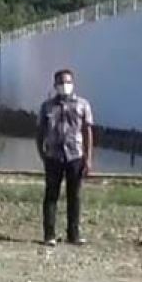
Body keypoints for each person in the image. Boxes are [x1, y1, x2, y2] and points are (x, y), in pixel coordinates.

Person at [36, 69, 94, 247]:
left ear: (73, 83)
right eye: (61, 82)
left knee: (74, 196)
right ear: (55, 85)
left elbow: (87, 131)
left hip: (75, 155)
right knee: (51, 196)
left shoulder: (82, 105)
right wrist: (42, 153)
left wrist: (88, 157)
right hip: (53, 156)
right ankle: (49, 235)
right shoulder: (47, 107)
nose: (64, 85)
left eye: (67, 82)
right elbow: (40, 132)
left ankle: (73, 234)